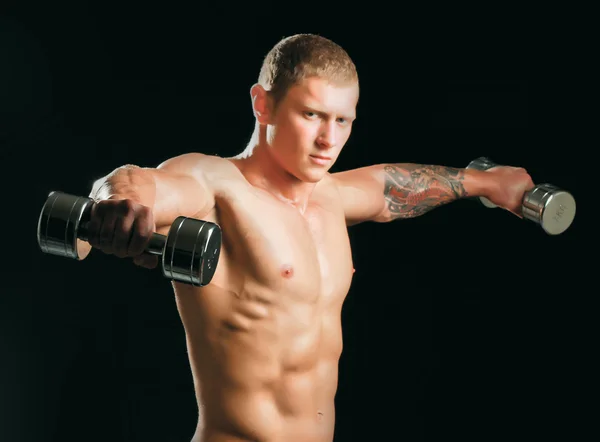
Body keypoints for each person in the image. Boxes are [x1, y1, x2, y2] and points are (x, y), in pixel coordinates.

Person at [81, 33, 534, 442]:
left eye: (343, 120)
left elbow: (389, 185)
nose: (328, 139)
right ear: (263, 104)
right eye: (312, 114)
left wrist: (486, 183)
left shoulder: (332, 196)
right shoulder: (217, 185)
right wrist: (117, 201)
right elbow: (142, 182)